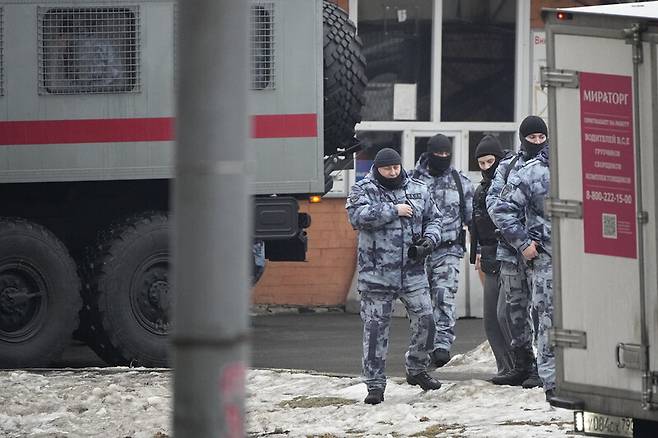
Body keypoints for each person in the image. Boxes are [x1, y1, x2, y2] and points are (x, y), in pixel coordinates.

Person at [346, 147, 443, 405]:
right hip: (377, 275)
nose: (392, 172)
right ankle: (375, 385)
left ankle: (417, 368)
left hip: (412, 272)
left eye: (396, 167)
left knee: (426, 320)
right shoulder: (363, 190)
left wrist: (429, 240)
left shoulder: (419, 189)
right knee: (376, 330)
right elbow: (356, 217)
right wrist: (393, 209)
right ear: (377, 169)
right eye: (387, 169)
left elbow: (435, 219)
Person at [486, 115, 547, 388]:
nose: (536, 142)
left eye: (540, 137)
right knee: (513, 309)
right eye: (531, 138)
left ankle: (542, 368)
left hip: (540, 251)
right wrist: (518, 239)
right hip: (511, 249)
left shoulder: (548, 166)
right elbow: (494, 201)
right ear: (522, 138)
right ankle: (523, 363)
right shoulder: (508, 166)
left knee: (541, 308)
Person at [411, 134, 473, 368]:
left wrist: (477, 249)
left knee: (443, 295)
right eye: (439, 154)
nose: (443, 158)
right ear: (429, 154)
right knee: (421, 302)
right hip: (420, 251)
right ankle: (422, 345)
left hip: (448, 250)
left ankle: (442, 346)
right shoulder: (412, 181)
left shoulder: (460, 182)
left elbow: (471, 218)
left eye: (447, 154)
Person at [469, 135, 513, 378]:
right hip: (488, 257)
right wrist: (476, 253)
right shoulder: (481, 190)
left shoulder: (511, 181)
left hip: (510, 256)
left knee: (505, 314)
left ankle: (521, 365)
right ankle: (505, 367)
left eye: (490, 161)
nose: (486, 167)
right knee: (491, 320)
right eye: (482, 163)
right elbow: (477, 225)